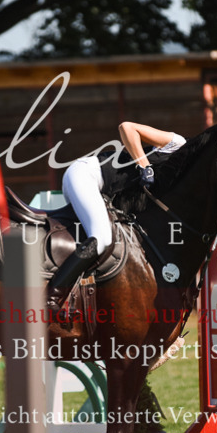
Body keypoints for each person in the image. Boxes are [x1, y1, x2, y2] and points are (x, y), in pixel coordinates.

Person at [48, 121, 187, 310]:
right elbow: (126, 127)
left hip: (97, 190)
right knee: (102, 238)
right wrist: (145, 166)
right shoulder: (178, 144)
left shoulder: (181, 182)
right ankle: (53, 297)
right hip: (86, 175)